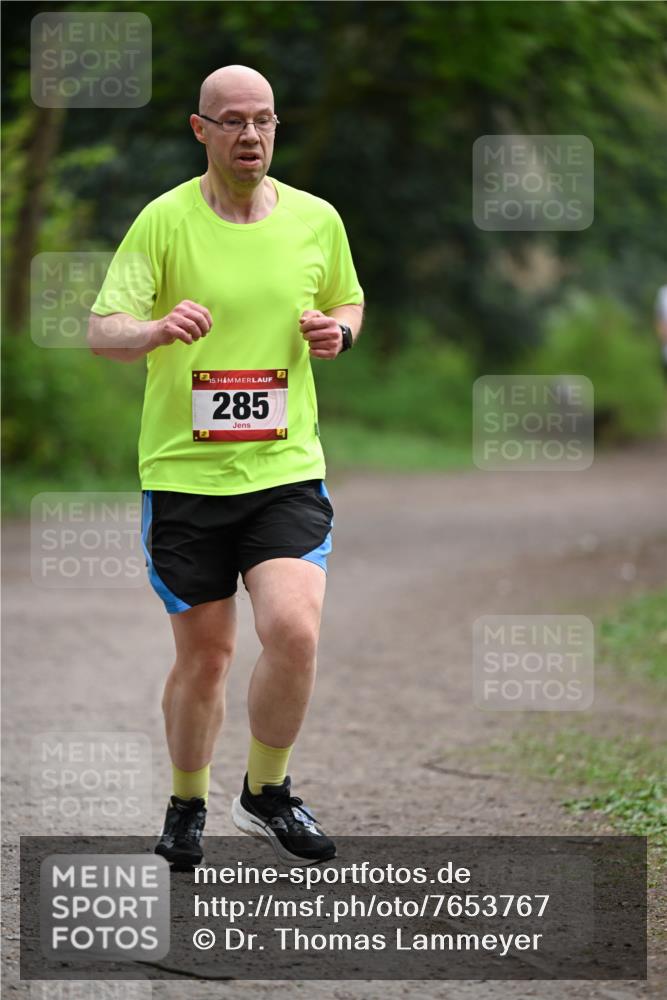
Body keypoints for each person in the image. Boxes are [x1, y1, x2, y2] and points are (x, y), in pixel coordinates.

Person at [87, 65, 364, 868]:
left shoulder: (317, 219)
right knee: (205, 657)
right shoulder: (163, 221)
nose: (251, 136)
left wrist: (337, 333)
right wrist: (154, 329)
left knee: (293, 629)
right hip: (184, 477)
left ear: (277, 128)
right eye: (233, 121)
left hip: (283, 467)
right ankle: (185, 803)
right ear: (199, 129)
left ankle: (267, 793)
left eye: (265, 120)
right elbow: (104, 330)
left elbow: (348, 300)